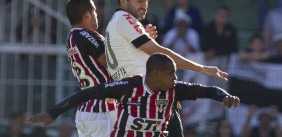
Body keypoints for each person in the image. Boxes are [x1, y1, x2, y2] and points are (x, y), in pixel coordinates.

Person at [105, 0, 228, 137]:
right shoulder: (124, 19)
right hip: (145, 97)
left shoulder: (116, 23)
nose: (144, 5)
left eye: (146, 0)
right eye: (139, 0)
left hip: (137, 98)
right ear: (123, 1)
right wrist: (201, 68)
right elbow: (158, 52)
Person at [26, 53, 240, 137]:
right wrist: (52, 113)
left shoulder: (175, 90)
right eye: (171, 73)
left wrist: (224, 97)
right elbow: (90, 93)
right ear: (155, 74)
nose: (175, 77)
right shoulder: (129, 86)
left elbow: (207, 90)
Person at [65, 0, 117, 137]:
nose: (97, 15)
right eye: (94, 12)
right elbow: (107, 60)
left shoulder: (71, 37)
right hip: (101, 111)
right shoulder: (85, 34)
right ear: (87, 15)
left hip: (86, 111)